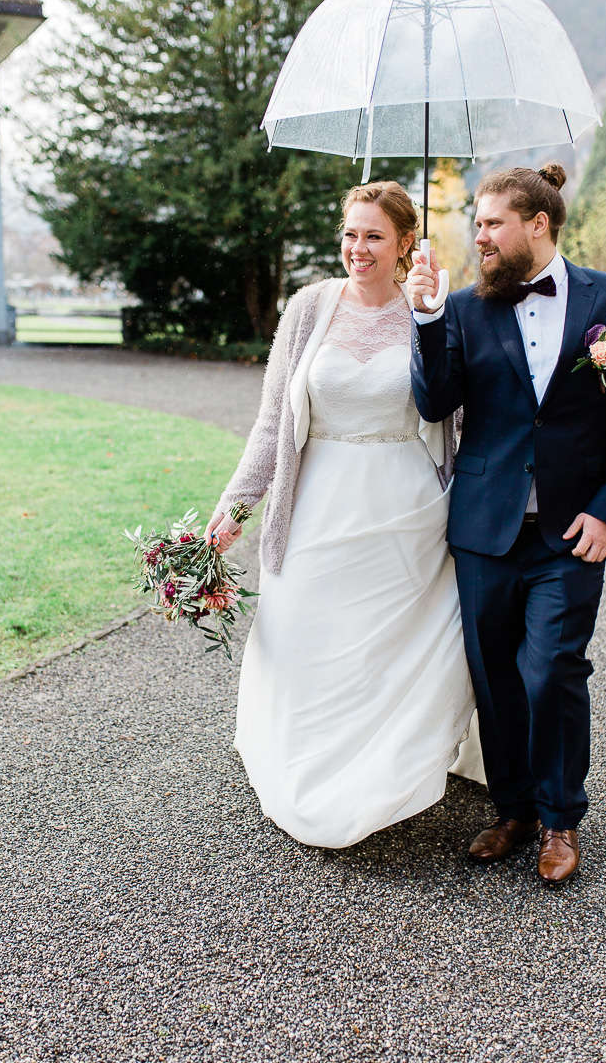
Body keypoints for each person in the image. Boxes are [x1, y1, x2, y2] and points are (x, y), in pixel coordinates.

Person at [407, 163, 606, 886]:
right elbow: (435, 403)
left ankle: (560, 820)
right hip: (485, 526)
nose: (478, 236)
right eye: (477, 224)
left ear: (538, 224)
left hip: (572, 530)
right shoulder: (460, 307)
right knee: (495, 676)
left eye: (491, 223)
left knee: (551, 667)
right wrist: (427, 319)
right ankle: (514, 810)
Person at [204, 180, 484, 849]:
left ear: (405, 244)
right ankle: (305, 762)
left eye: (374, 236)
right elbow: (274, 419)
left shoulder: (433, 310)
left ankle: (383, 771)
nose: (359, 249)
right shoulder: (309, 308)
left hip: (405, 508)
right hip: (318, 502)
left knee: (388, 644)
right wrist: (237, 504)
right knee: (304, 628)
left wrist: (429, 316)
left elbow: (458, 416)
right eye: (350, 235)